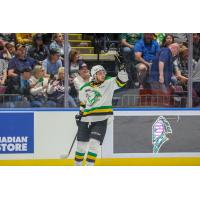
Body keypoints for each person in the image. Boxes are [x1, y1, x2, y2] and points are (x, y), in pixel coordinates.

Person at [74, 64, 128, 166]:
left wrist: (122, 70)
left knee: (94, 144)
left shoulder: (110, 82)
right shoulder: (84, 88)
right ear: (94, 75)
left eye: (104, 72)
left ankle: (89, 166)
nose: (103, 75)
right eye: (100, 73)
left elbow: (123, 81)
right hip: (86, 119)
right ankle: (77, 165)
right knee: (81, 146)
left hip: (101, 119)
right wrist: (79, 115)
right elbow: (83, 104)